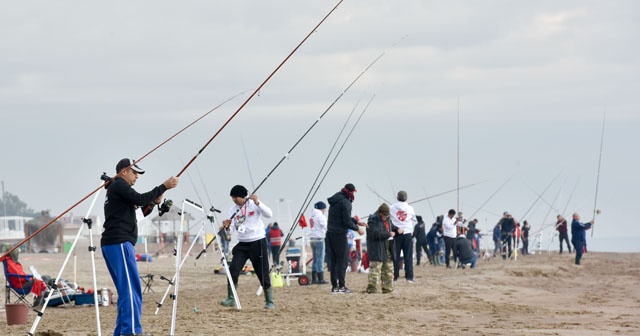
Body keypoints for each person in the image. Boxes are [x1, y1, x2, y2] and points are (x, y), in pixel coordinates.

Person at [101, 158, 178, 336]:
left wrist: (152, 203)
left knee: (126, 290)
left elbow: (139, 210)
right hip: (119, 243)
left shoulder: (118, 190)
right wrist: (164, 186)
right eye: (134, 172)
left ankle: (122, 331)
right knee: (131, 289)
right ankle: (132, 331)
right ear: (123, 172)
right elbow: (140, 198)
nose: (137, 176)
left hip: (115, 243)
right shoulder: (119, 186)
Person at [220, 185, 275, 309]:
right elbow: (231, 231)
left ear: (243, 196)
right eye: (232, 198)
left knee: (262, 271)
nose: (234, 200)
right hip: (242, 244)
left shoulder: (253, 204)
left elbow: (269, 214)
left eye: (236, 197)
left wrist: (257, 202)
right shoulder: (232, 209)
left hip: (258, 241)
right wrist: (227, 227)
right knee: (233, 269)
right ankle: (231, 297)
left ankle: (269, 301)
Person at [325, 183, 365, 294]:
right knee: (342, 261)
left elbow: (342, 217)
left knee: (334, 261)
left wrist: (357, 221)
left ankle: (334, 287)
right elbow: (346, 221)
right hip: (339, 235)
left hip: (330, 234)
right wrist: (358, 229)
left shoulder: (336, 199)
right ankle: (342, 287)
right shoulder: (346, 202)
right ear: (351, 192)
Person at [365, 203, 396, 294]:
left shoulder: (388, 220)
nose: (385, 217)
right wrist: (388, 234)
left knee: (389, 269)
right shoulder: (372, 220)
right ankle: (372, 289)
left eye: (387, 216)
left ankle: (387, 288)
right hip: (377, 248)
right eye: (384, 216)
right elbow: (374, 234)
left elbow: (392, 228)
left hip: (388, 248)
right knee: (375, 270)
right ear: (380, 213)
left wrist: (397, 229)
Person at [390, 190, 417, 282]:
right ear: (406, 198)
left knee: (395, 256)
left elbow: (389, 218)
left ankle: (395, 277)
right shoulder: (410, 208)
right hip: (407, 234)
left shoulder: (392, 207)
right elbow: (414, 219)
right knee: (408, 256)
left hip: (396, 234)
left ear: (397, 198)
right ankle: (409, 278)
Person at [309, 201, 328, 284]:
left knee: (315, 258)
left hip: (312, 238)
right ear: (322, 208)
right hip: (319, 239)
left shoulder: (312, 215)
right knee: (320, 258)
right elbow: (326, 226)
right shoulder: (320, 216)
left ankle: (314, 279)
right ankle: (320, 278)